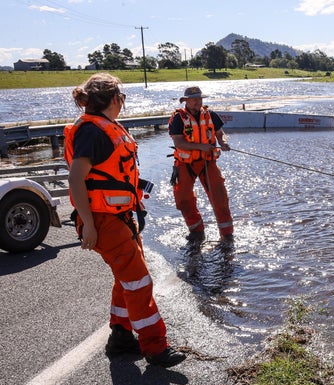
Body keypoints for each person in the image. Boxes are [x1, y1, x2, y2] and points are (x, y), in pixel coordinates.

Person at [64, 73, 186, 368]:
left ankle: (121, 335)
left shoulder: (106, 127)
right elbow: (76, 179)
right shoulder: (92, 132)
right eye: (123, 97)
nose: (123, 103)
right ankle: (155, 347)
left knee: (128, 278)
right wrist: (88, 224)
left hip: (120, 217)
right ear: (114, 99)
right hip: (103, 220)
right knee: (139, 281)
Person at [168, 86, 234, 242]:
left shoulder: (211, 115)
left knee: (220, 197)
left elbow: (220, 134)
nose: (197, 102)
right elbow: (178, 142)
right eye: (193, 99)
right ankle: (197, 231)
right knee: (183, 199)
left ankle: (227, 235)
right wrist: (201, 147)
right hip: (185, 164)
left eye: (199, 99)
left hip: (208, 162)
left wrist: (223, 142)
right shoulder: (178, 118)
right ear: (186, 101)